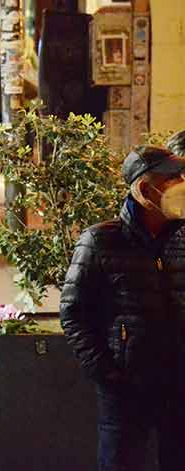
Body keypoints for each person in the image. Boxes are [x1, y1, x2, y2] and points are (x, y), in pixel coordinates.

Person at [60, 146, 185, 471]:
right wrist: (107, 373)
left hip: (178, 385)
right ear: (146, 189)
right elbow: (73, 313)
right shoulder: (100, 241)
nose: (182, 183)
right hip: (127, 389)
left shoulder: (182, 238)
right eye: (173, 178)